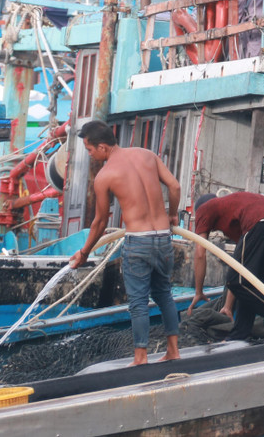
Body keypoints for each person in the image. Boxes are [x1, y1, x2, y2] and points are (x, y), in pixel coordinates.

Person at [69, 120, 182, 366]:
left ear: (102, 147)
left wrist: (85, 252)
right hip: (163, 238)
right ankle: (173, 351)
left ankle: (140, 358)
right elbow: (174, 186)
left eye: (89, 150)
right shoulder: (147, 155)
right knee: (164, 295)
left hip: (138, 242)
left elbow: (100, 222)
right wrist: (172, 214)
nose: (90, 156)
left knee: (139, 302)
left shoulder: (105, 175)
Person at [186, 191, 264, 340]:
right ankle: (240, 333)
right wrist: (228, 307)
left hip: (261, 222)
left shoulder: (204, 209)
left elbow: (200, 253)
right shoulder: (233, 213)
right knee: (250, 285)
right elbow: (239, 265)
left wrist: (198, 291)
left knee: (238, 282)